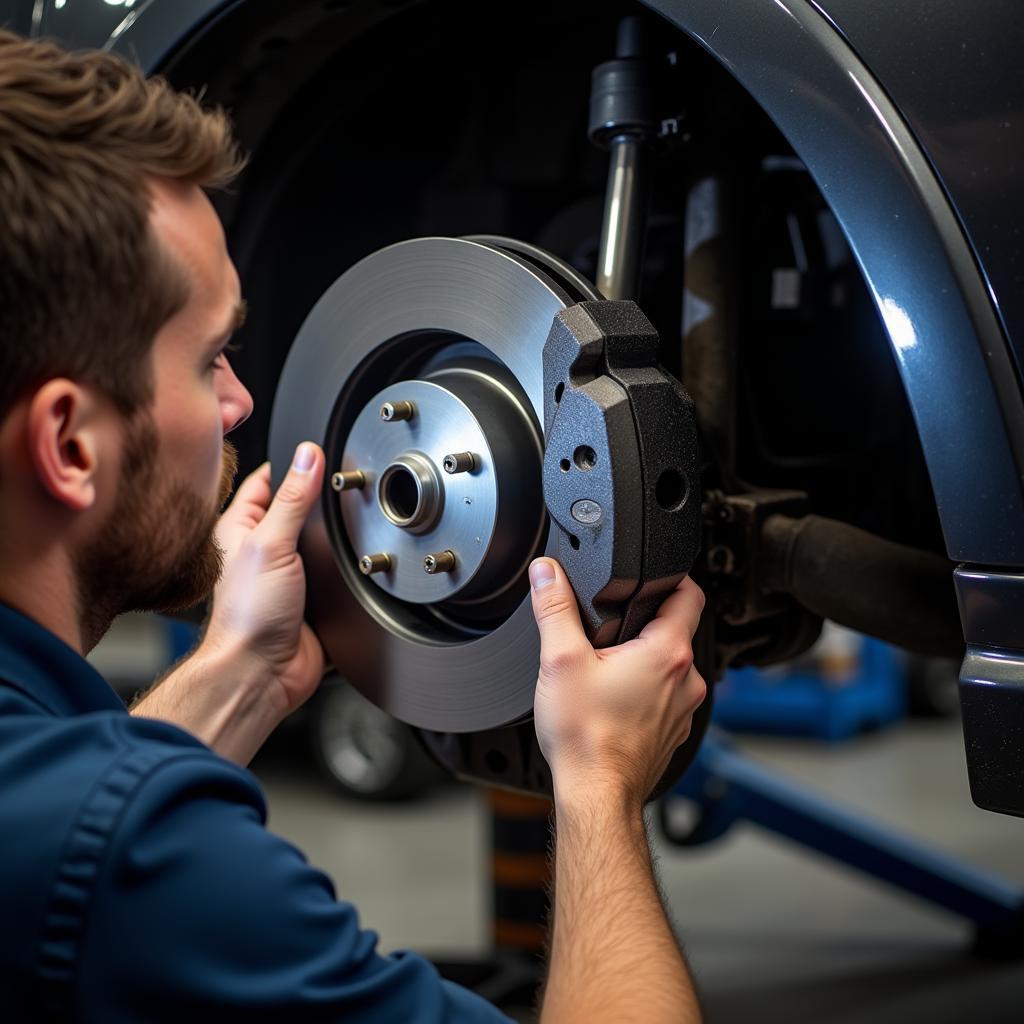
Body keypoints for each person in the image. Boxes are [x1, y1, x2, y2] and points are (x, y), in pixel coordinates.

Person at [0, 29, 708, 1023]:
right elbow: (96, 860)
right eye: (210, 359)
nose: (243, 400)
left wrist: (240, 672)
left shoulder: (57, 821)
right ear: (70, 445)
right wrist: (597, 780)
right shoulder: (143, 868)